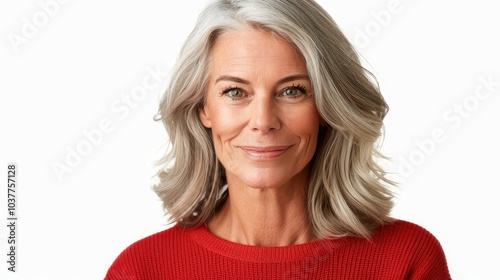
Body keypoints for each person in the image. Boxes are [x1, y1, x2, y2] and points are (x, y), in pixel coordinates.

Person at [105, 0, 451, 279]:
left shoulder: (407, 259)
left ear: (327, 107)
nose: (263, 121)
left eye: (291, 91)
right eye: (236, 91)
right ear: (203, 108)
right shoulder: (142, 270)